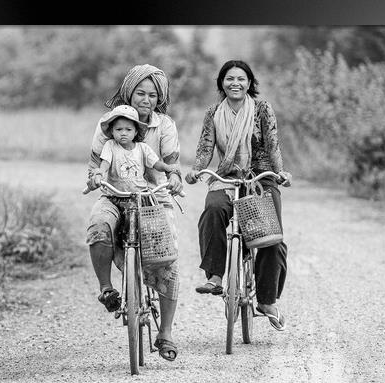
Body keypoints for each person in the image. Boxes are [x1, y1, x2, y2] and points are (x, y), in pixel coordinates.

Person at [185, 60, 292, 331]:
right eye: (230, 78)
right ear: (222, 82)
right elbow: (205, 147)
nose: (236, 83)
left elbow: (273, 144)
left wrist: (281, 173)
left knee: (270, 238)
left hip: (261, 177)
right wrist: (196, 170)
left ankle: (267, 301)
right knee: (213, 209)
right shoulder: (213, 113)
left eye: (241, 79)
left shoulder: (261, 109)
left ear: (249, 83)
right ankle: (216, 276)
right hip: (228, 176)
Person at [86, 64, 183, 361]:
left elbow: (169, 164)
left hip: (152, 198)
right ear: (129, 92)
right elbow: (95, 165)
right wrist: (94, 177)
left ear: (160, 98)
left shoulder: (164, 125)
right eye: (140, 92)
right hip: (114, 196)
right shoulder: (108, 123)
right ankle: (106, 289)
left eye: (153, 95)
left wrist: (175, 178)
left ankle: (165, 332)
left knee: (167, 259)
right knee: (99, 227)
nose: (146, 99)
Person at [91, 105, 178, 193]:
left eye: (128, 129)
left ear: (135, 132)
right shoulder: (110, 145)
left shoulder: (143, 148)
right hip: (115, 194)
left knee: (153, 206)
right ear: (112, 131)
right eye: (119, 129)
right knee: (102, 207)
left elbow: (156, 164)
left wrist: (167, 167)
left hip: (140, 194)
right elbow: (106, 163)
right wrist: (100, 172)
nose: (123, 133)